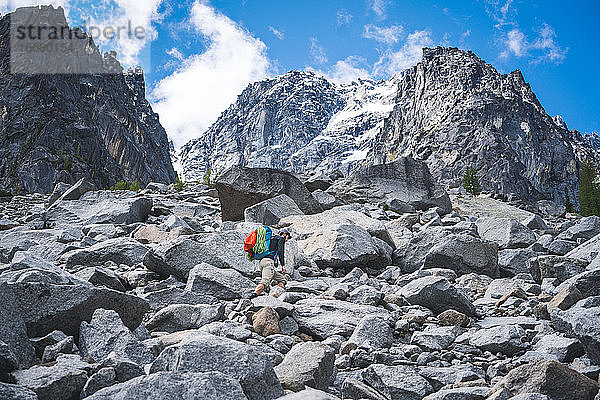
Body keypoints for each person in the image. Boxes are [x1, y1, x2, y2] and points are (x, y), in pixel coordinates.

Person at [252, 229, 291, 297]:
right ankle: (254, 294)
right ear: (284, 234)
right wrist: (283, 266)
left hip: (262, 262)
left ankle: (275, 293)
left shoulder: (270, 239)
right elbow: (280, 252)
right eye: (288, 237)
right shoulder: (281, 238)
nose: (287, 240)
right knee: (265, 281)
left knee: (282, 279)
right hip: (268, 263)